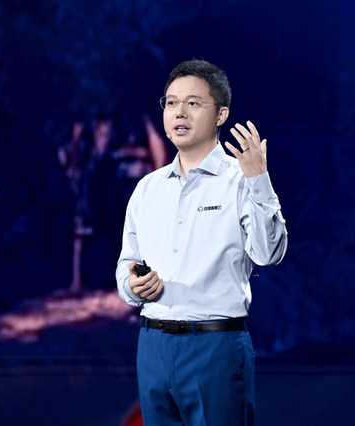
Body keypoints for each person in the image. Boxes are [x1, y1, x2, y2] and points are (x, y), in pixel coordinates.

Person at [116, 59, 288, 426]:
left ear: (221, 114)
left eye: (193, 103)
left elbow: (269, 253)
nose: (179, 112)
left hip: (215, 347)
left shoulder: (241, 180)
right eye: (171, 102)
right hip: (153, 346)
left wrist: (259, 180)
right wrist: (132, 285)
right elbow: (126, 263)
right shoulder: (147, 189)